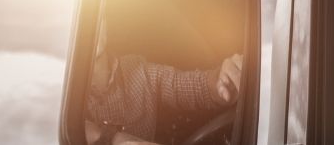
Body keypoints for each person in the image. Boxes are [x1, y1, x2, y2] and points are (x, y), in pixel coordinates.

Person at [85, 24, 243, 145]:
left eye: (96, 14)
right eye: (84, 18)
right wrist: (108, 137)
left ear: (104, 22)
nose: (91, 26)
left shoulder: (138, 71)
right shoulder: (63, 96)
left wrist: (222, 81)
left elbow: (194, 87)